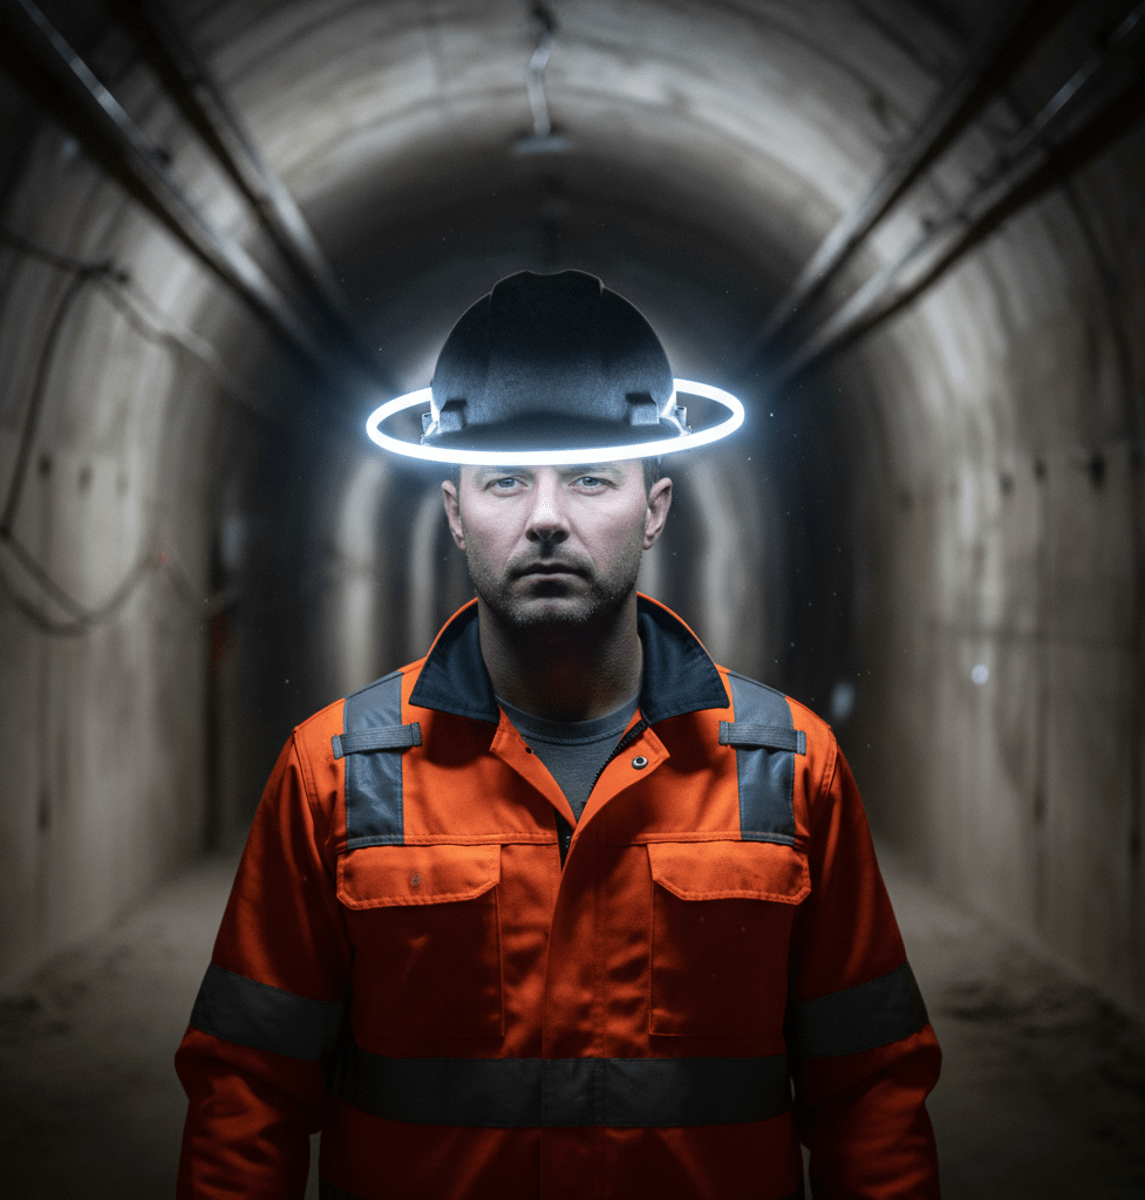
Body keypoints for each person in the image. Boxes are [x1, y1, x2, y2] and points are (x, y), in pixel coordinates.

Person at [176, 271, 941, 1199]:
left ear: (655, 510)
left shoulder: (786, 768)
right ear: (455, 514)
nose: (545, 518)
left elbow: (872, 1096)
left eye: (589, 477)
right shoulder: (335, 773)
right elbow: (246, 1096)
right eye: (504, 480)